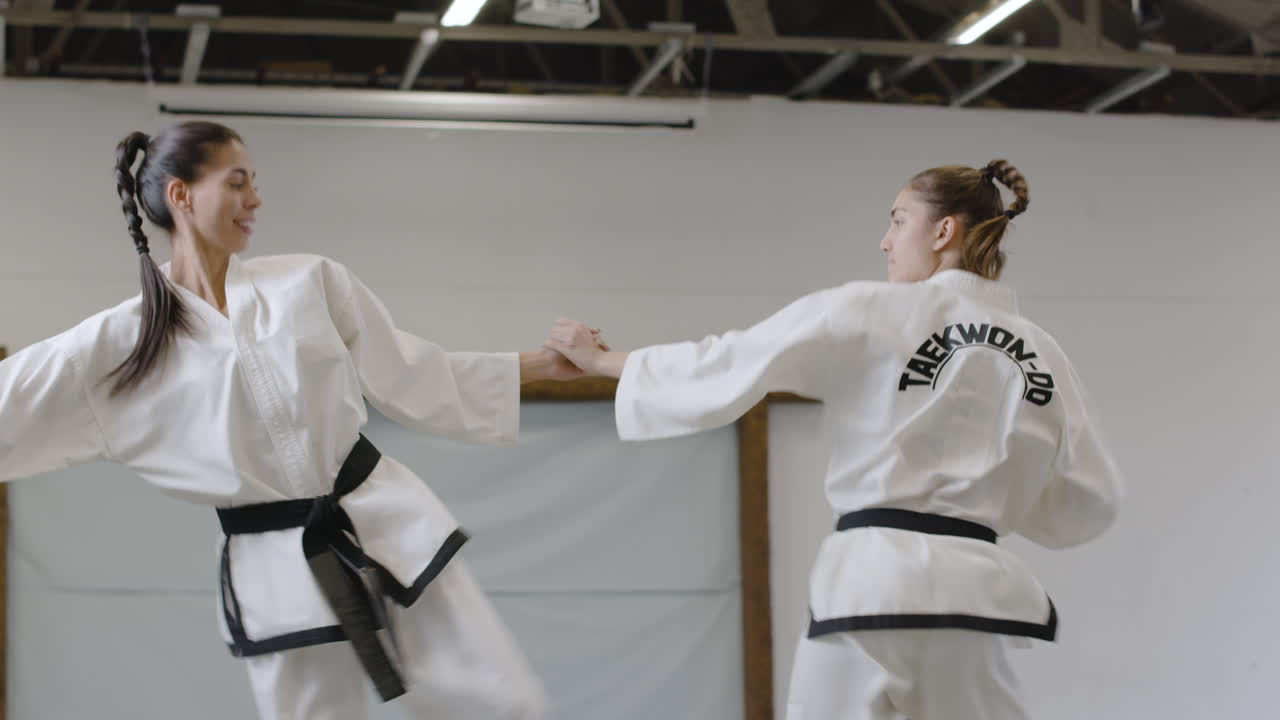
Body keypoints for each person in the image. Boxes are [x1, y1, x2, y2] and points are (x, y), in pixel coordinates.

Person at [0, 121, 593, 720]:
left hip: (384, 516)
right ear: (182, 196)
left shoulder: (309, 283)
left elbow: (416, 373)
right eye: (237, 183)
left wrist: (540, 366)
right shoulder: (119, 343)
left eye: (255, 183)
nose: (255, 200)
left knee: (498, 698)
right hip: (271, 561)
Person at [548, 160, 1125, 720]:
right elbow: (1089, 497)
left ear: (944, 230)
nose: (885, 240)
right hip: (976, 593)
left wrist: (602, 360)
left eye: (899, 220)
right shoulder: (1043, 352)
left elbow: (730, 360)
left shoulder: (872, 310)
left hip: (873, 581)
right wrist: (994, 496)